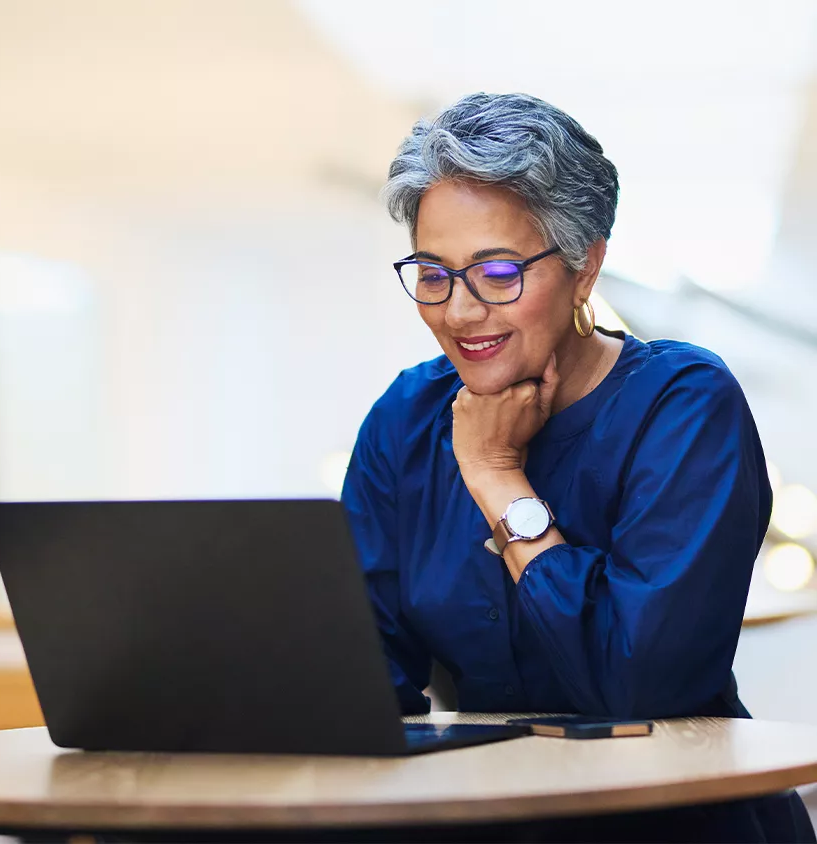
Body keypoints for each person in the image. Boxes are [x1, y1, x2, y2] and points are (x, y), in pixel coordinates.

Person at [341, 92, 816, 843]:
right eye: (433, 274)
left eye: (497, 272)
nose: (460, 313)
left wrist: (498, 477)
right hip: (487, 818)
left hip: (675, 825)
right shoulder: (405, 420)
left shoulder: (683, 405)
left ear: (584, 265)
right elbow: (361, 680)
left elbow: (643, 686)